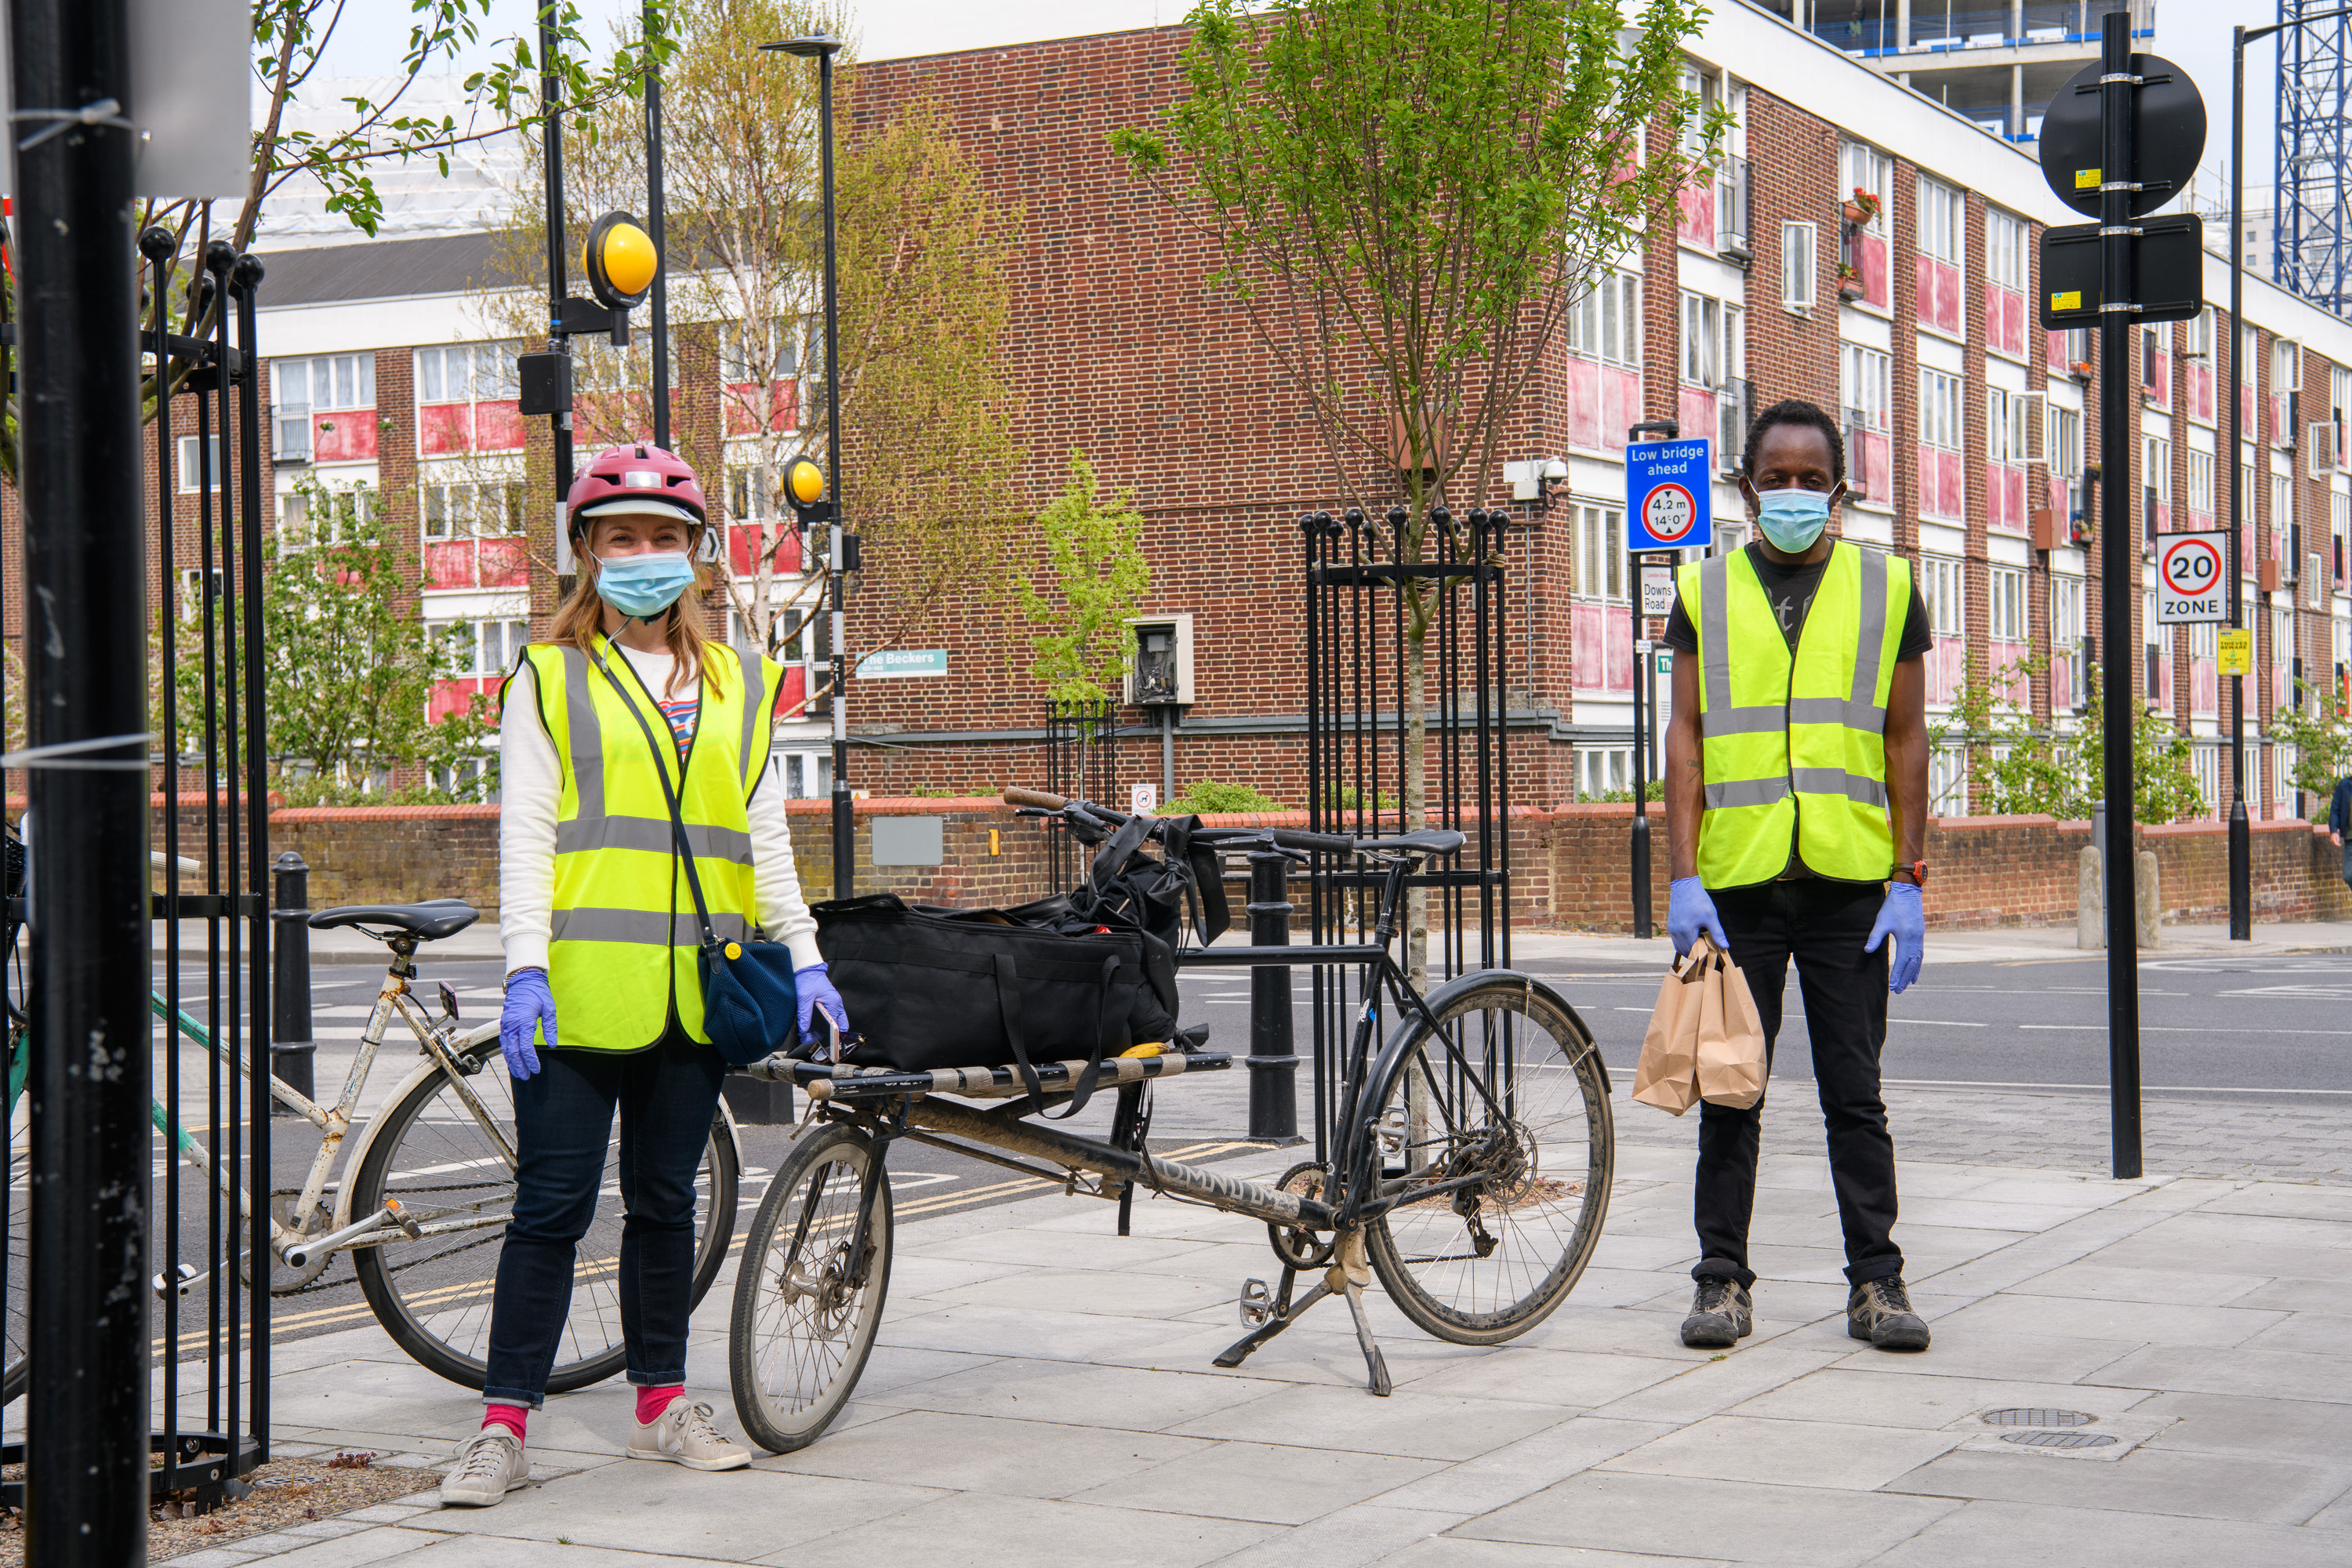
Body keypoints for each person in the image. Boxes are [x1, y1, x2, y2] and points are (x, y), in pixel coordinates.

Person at [441, 445, 849, 1507]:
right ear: (588, 552)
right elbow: (526, 833)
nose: (644, 555)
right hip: (577, 991)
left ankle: (662, 1404)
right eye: (622, 538)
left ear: (695, 554)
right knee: (551, 1209)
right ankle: (502, 1427)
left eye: (663, 538)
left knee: (667, 1204)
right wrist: (522, 969)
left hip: (697, 995)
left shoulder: (741, 681)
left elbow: (763, 830)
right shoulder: (550, 675)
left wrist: (803, 953)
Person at [1658, 399, 1934, 1355]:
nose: (1792, 493)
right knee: (1733, 1090)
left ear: (1841, 492)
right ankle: (1720, 1281)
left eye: (1811, 479)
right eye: (1774, 477)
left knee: (1855, 1094)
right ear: (1745, 488)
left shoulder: (1890, 586)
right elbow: (1686, 736)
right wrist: (1682, 873)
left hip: (1851, 887)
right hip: (1735, 889)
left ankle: (1878, 1282)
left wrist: (1909, 875)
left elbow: (1906, 737)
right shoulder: (1705, 590)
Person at [2329, 773, 2352, 888]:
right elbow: (2335, 810)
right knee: (2348, 875)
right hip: (2350, 838)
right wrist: (2333, 831)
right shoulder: (2344, 785)